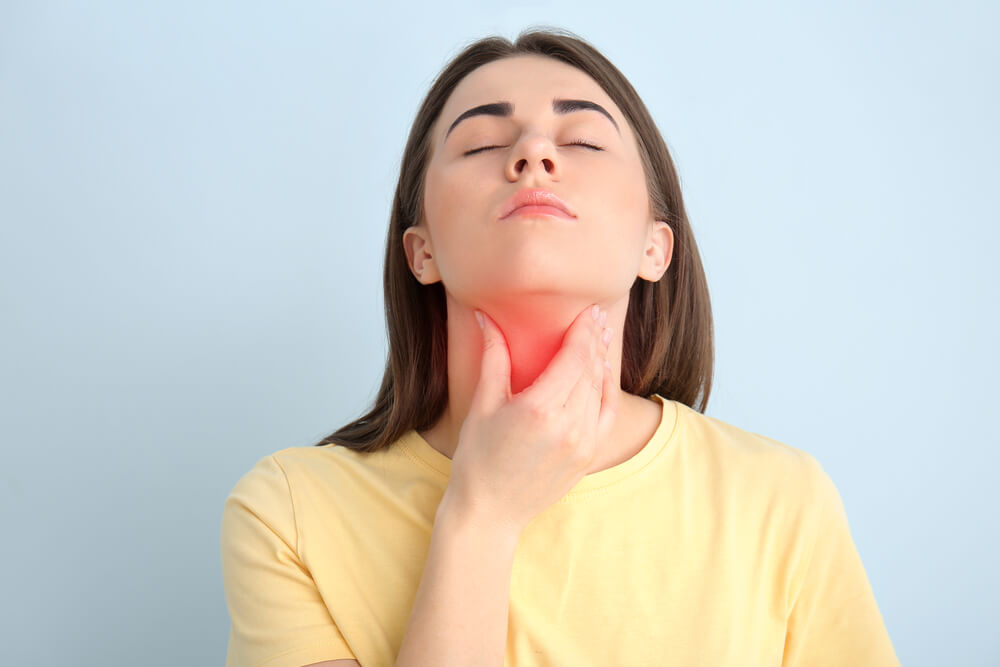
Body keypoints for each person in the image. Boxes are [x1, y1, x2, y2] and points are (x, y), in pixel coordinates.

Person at [220, 27, 900, 667]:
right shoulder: (290, 515)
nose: (534, 155)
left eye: (582, 142)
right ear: (420, 250)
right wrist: (480, 517)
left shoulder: (780, 499)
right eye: (482, 144)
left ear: (654, 246)